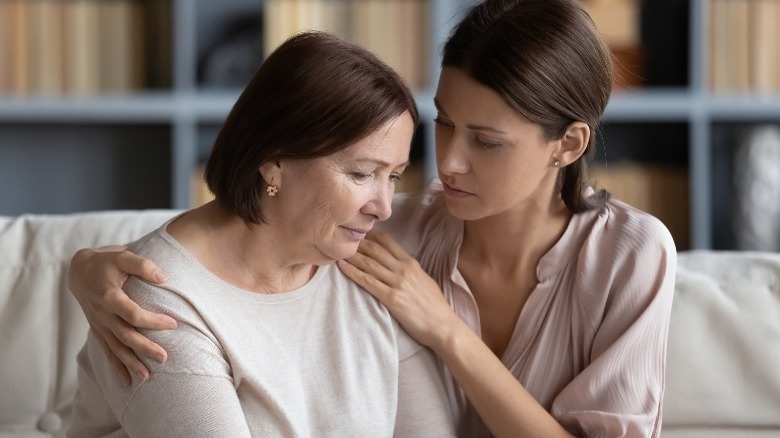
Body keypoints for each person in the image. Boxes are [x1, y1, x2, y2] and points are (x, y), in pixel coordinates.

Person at [68, 0, 677, 436]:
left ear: (567, 145)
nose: (450, 163)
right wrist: (87, 266)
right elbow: (233, 234)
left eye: (487, 141)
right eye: (445, 124)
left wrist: (447, 332)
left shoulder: (631, 254)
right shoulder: (386, 231)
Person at [67, 31, 455, 437]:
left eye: (392, 176)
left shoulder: (372, 270)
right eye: (361, 173)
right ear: (273, 163)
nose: (384, 206)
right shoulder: (159, 303)